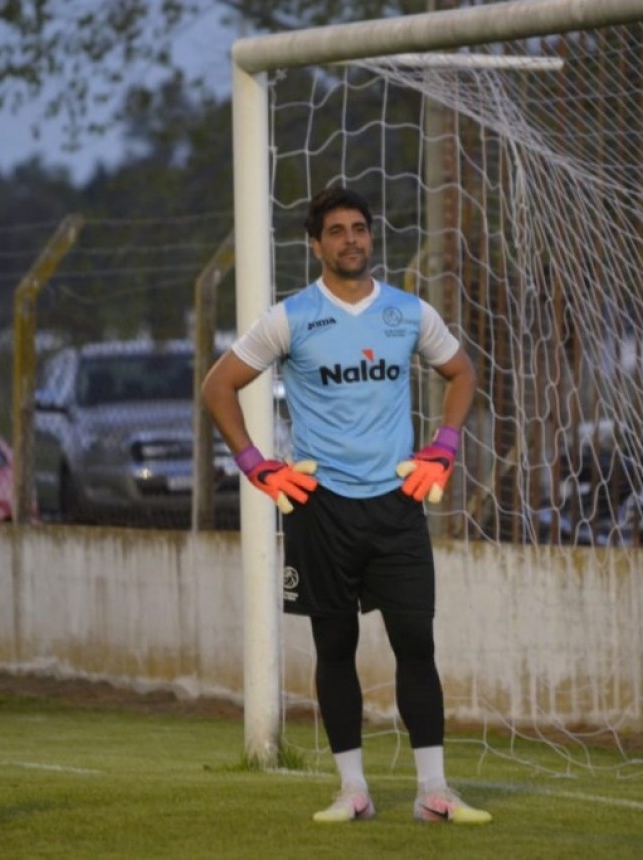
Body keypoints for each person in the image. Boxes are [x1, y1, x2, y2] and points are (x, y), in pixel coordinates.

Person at [201, 185, 490, 825]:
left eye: (359, 228)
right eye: (336, 231)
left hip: (396, 504)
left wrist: (443, 446)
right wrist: (256, 465)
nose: (350, 239)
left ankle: (433, 792)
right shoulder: (291, 317)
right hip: (320, 508)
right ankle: (352, 791)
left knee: (416, 643)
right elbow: (219, 386)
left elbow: (462, 373)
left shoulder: (407, 313)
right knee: (336, 647)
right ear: (315, 244)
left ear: (370, 237)